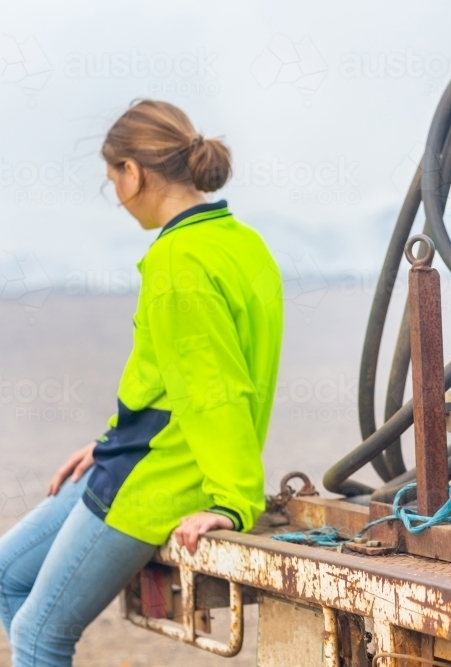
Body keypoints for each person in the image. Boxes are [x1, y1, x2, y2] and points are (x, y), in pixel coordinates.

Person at [0, 100, 284, 666]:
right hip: (134, 452)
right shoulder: (241, 242)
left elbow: (215, 388)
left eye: (113, 180)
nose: (118, 198)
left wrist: (232, 501)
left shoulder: (178, 264)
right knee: (8, 573)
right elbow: (170, 379)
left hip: (158, 475)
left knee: (38, 635)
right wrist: (107, 439)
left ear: (135, 172)